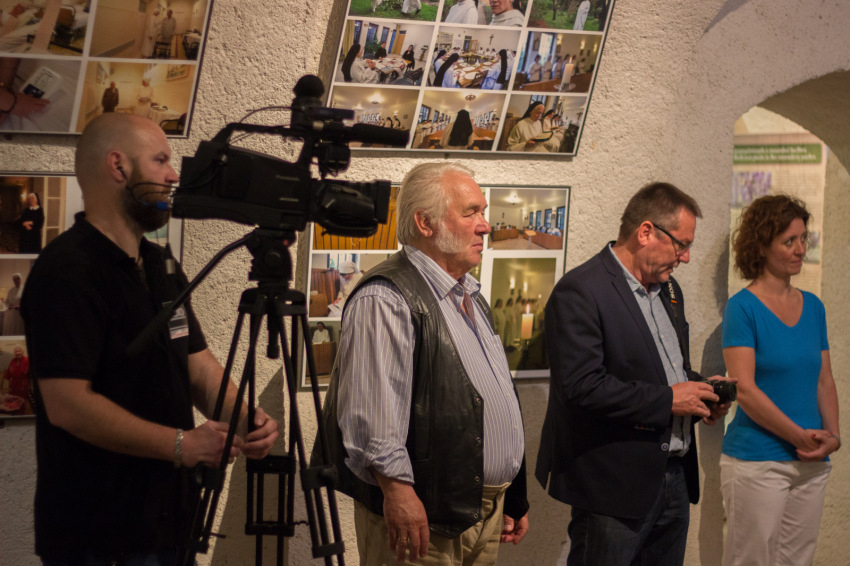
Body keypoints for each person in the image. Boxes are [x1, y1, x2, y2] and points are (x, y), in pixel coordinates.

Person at [20, 113, 280, 565]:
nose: (173, 175)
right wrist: (182, 445)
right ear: (118, 166)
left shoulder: (160, 265)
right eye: (160, 160)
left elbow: (197, 366)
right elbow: (66, 403)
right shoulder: (66, 272)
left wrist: (244, 418)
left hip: (170, 524)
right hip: (99, 537)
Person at [318, 162, 529, 565]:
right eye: (471, 213)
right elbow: (374, 417)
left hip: (484, 511)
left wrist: (512, 493)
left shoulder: (469, 294)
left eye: (483, 212)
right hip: (423, 519)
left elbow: (495, 396)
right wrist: (398, 493)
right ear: (425, 223)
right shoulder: (387, 297)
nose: (485, 226)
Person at [535, 182, 732, 566]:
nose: (686, 257)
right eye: (681, 244)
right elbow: (580, 387)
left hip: (674, 477)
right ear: (645, 232)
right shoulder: (581, 290)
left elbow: (664, 370)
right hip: (614, 485)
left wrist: (702, 391)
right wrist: (671, 399)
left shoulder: (669, 290)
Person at [720, 195, 840, 566]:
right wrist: (798, 436)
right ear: (761, 246)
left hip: (811, 460)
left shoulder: (814, 306)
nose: (801, 249)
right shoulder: (743, 307)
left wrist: (833, 436)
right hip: (757, 461)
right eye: (790, 241)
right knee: (751, 560)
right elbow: (745, 390)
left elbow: (824, 380)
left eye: (804, 239)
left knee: (797, 561)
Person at [1, 345, 30, 414]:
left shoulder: (27, 360)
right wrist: (3, 384)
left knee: (21, 399)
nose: (17, 353)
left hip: (23, 384)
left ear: (22, 352)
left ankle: (20, 414)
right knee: (12, 399)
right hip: (13, 384)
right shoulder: (13, 360)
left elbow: (29, 374)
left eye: (19, 351)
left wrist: (29, 385)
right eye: (16, 351)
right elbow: (8, 372)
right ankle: (13, 412)